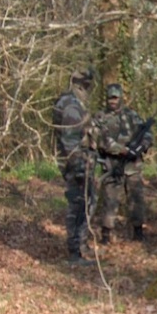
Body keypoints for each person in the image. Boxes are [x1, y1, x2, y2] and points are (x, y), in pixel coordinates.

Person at [91, 83, 154, 244]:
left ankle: (138, 232)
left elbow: (146, 133)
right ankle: (106, 235)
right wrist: (122, 150)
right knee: (110, 201)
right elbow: (100, 140)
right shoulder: (100, 117)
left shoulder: (132, 115)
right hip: (112, 166)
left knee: (136, 199)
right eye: (110, 98)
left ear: (120, 98)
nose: (112, 101)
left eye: (115, 98)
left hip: (133, 166)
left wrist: (142, 146)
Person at [52, 68, 96, 264]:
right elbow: (70, 143)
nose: (88, 91)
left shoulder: (73, 104)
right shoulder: (70, 106)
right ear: (79, 85)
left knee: (86, 202)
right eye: (86, 87)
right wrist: (79, 166)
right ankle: (74, 252)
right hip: (75, 165)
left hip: (80, 162)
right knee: (77, 205)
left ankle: (80, 245)